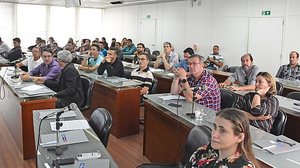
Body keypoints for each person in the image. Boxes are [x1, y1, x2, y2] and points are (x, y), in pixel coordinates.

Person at [187, 108, 256, 168]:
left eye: (222, 131)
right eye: (215, 127)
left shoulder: (242, 166)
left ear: (240, 137)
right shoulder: (203, 151)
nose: (214, 135)